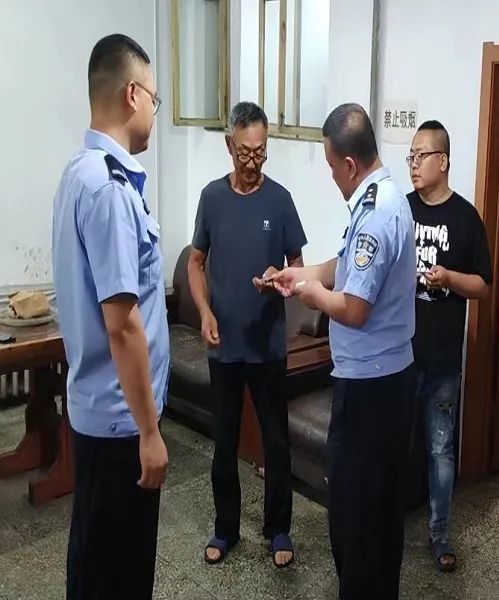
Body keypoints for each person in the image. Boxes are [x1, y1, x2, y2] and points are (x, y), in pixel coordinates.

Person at [270, 103, 416, 599]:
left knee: (359, 517)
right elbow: (346, 264)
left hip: (373, 388)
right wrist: (303, 274)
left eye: (332, 166)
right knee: (373, 511)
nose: (332, 176)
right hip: (380, 379)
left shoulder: (376, 214)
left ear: (350, 164)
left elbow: (353, 309)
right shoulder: (386, 198)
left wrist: (311, 296)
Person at [51, 34, 168, 600]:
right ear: (132, 94)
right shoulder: (110, 190)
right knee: (118, 574)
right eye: (155, 99)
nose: (154, 112)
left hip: (97, 411)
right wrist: (150, 432)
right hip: (122, 423)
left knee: (94, 560)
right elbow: (122, 324)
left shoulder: (80, 172)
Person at [188, 101, 307, 568]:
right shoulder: (212, 198)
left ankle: (279, 529)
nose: (253, 161)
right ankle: (226, 529)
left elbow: (298, 265)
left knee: (276, 442)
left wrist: (281, 277)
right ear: (229, 145)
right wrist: (204, 312)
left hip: (268, 346)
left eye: (260, 151)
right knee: (224, 442)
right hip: (224, 348)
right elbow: (196, 262)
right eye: (245, 152)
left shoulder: (280, 200)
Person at [406, 120, 492, 571]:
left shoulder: (465, 218)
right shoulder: (400, 210)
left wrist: (448, 278)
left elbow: (482, 285)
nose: (414, 164)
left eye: (421, 156)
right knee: (396, 443)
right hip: (398, 357)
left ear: (443, 161)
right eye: (411, 156)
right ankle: (387, 520)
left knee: (440, 449)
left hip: (441, 360)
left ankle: (440, 534)